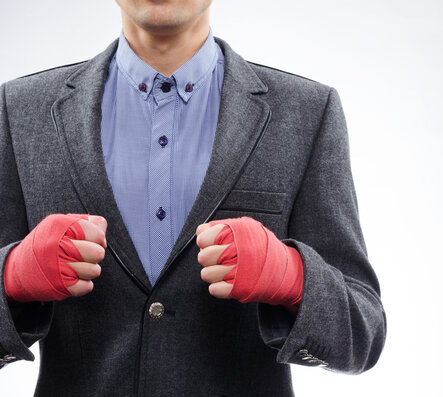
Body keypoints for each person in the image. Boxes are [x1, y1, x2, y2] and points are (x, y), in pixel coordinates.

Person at [0, 0, 386, 395]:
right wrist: (10, 278)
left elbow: (363, 334)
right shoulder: (20, 110)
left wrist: (293, 276)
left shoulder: (306, 113)